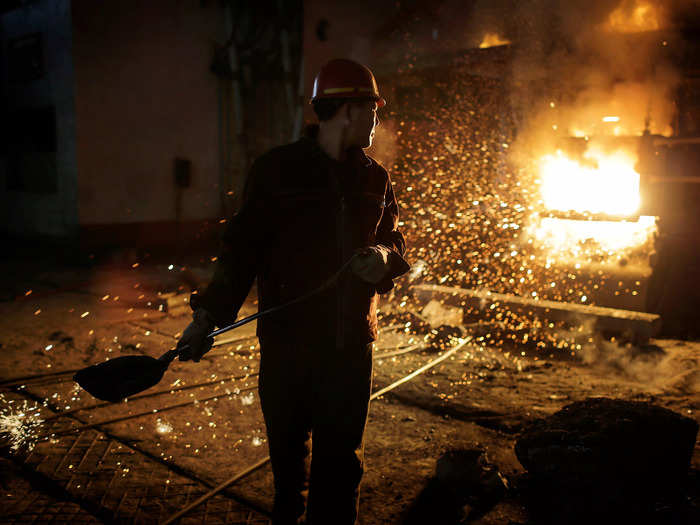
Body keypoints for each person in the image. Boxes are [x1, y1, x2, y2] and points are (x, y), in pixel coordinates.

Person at [176, 58, 409, 525]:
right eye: (372, 110)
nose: (377, 120)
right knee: (289, 470)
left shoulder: (374, 178)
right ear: (347, 110)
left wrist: (385, 257)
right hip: (288, 349)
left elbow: (394, 239)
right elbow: (242, 252)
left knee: (340, 471)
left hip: (349, 350)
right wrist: (206, 319)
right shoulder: (277, 172)